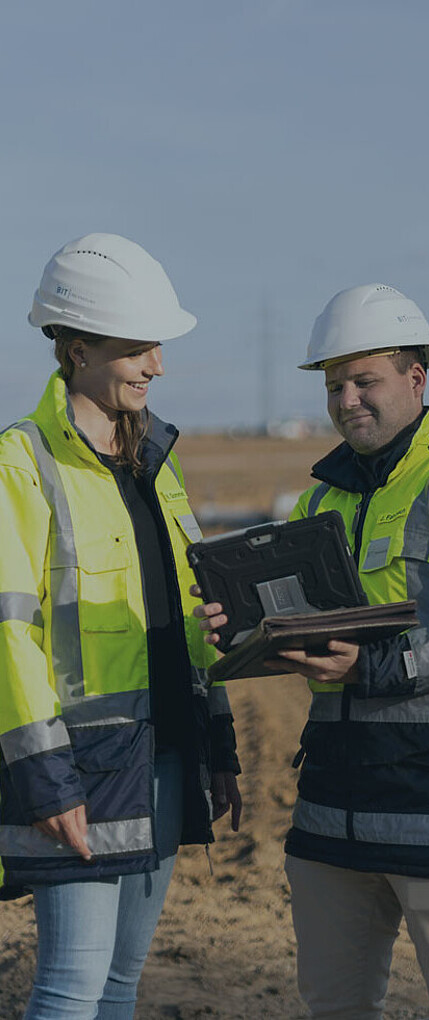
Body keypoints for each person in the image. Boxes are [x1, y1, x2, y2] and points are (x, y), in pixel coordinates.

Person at [196, 283, 429, 1020]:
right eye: (334, 385)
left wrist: (370, 666)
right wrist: (241, 633)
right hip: (335, 813)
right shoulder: (323, 501)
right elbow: (296, 627)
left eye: (366, 380)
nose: (347, 399)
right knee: (332, 1007)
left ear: (416, 380)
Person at [0, 233, 242, 1020]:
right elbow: (10, 635)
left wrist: (220, 744)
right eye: (138, 347)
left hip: (165, 755)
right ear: (75, 351)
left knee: (118, 989)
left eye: (157, 346)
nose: (157, 365)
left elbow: (185, 621)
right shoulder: (20, 464)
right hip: (78, 773)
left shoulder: (157, 467)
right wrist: (44, 778)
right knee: (70, 988)